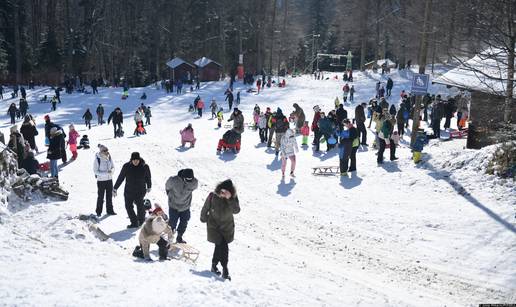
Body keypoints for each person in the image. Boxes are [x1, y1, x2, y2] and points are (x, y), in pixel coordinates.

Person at [200, 179, 240, 280]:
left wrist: (230, 198)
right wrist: (203, 218)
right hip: (214, 226)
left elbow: (236, 210)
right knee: (223, 246)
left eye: (225, 192)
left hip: (227, 227)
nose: (223, 194)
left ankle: (214, 265)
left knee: (219, 246)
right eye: (222, 191)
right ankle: (225, 269)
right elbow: (205, 207)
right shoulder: (212, 196)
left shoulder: (233, 198)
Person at [113, 152, 152, 228]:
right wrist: (115, 188)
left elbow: (148, 177)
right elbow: (121, 177)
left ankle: (141, 221)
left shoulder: (144, 166)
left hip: (140, 190)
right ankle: (134, 222)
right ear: (131, 160)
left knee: (140, 206)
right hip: (129, 190)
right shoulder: (126, 166)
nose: (135, 162)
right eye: (134, 160)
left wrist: (149, 186)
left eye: (137, 160)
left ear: (139, 159)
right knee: (128, 206)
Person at [165, 168, 199, 244]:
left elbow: (194, 187)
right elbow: (167, 187)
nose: (188, 182)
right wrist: (170, 196)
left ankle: (179, 237)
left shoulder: (194, 183)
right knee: (172, 223)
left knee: (184, 223)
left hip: (185, 207)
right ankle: (169, 238)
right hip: (173, 205)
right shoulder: (173, 180)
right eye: (187, 180)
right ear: (182, 177)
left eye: (190, 180)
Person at [93, 144, 116, 217]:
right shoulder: (97, 159)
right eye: (105, 150)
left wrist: (111, 171)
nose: (106, 152)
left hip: (109, 180)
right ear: (101, 151)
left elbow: (113, 167)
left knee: (109, 196)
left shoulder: (109, 157)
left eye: (107, 150)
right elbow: (95, 171)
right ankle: (98, 211)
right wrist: (106, 173)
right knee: (100, 196)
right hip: (101, 181)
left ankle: (110, 210)